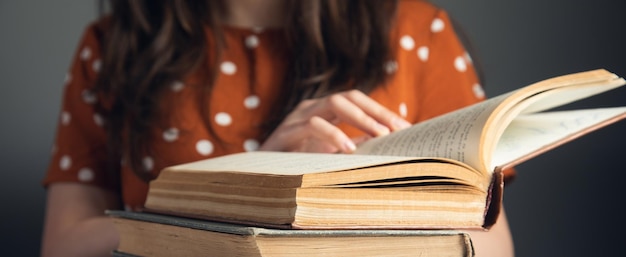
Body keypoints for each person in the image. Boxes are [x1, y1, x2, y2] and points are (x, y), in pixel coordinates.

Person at [40, 0, 515, 256]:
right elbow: (64, 245)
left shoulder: (418, 31)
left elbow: (490, 243)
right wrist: (245, 188)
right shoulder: (114, 47)